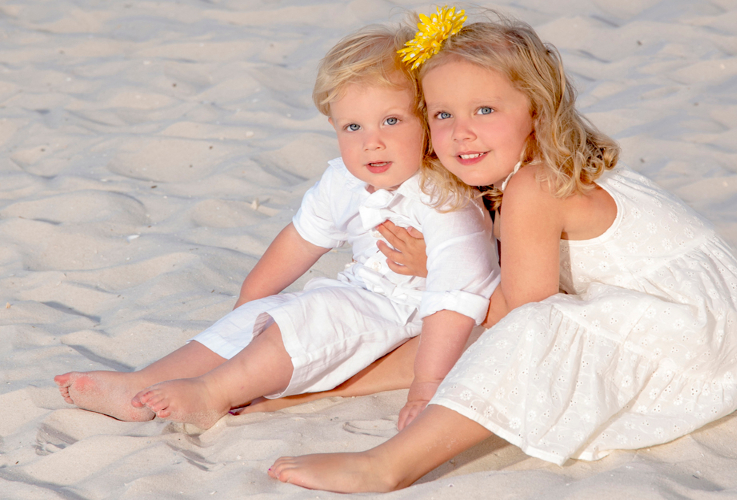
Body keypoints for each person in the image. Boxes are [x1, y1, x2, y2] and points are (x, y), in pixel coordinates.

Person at [267, 7, 737, 492]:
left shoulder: (533, 187)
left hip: (696, 342)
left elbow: (518, 329)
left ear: (536, 110)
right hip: (703, 326)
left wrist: (449, 277)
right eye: (443, 114)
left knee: (512, 319)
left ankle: (387, 466)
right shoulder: (509, 182)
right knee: (464, 310)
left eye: (485, 110)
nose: (462, 131)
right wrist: (317, 391)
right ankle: (319, 390)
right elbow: (472, 319)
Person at [54, 23, 500, 430]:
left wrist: (427, 386)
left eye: (391, 120)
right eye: (352, 126)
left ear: (427, 118)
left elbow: (455, 297)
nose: (372, 141)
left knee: (310, 322)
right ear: (332, 126)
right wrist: (247, 309)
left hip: (409, 314)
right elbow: (299, 242)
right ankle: (142, 384)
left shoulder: (444, 198)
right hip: (361, 293)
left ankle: (212, 394)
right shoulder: (345, 180)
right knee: (262, 318)